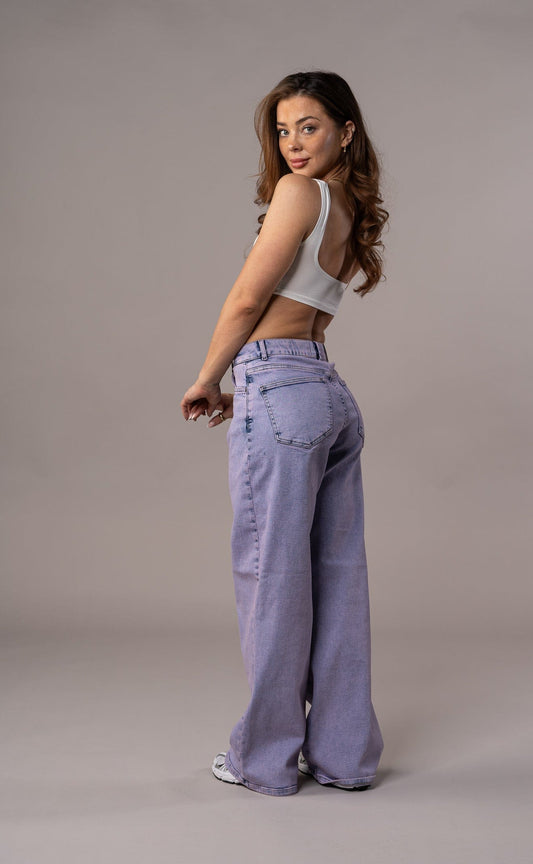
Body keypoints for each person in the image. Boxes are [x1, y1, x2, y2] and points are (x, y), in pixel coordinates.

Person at [180, 70, 389, 797]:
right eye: (281, 129)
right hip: (325, 391)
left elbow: (248, 300)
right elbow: (308, 309)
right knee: (337, 577)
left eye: (309, 126)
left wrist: (210, 378)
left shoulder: (299, 194)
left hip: (277, 385)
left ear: (345, 131)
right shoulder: (351, 208)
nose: (293, 143)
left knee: (272, 575)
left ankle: (264, 760)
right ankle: (344, 757)